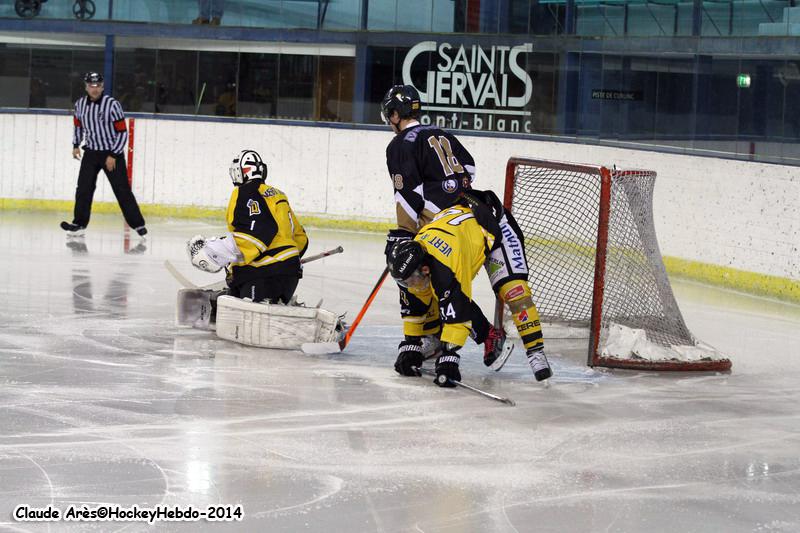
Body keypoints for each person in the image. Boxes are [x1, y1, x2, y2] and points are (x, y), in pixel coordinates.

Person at [380, 83, 551, 381]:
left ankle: (463, 340)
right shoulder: (441, 133)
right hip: (469, 214)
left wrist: (407, 234)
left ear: (395, 114)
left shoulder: (399, 145)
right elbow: (468, 169)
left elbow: (406, 196)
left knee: (442, 277)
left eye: (389, 115)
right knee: (438, 279)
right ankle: (534, 355)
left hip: (481, 222)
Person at [187, 149, 307, 304]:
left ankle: (222, 303)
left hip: (263, 273)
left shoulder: (244, 192)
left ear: (239, 172)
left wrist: (214, 252)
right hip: (291, 273)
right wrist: (289, 261)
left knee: (242, 296)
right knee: (239, 287)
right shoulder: (278, 194)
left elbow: (257, 233)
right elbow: (300, 238)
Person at [61, 72, 147, 238]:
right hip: (91, 152)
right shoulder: (79, 105)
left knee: (122, 190)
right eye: (91, 86)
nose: (94, 89)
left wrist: (113, 155)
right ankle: (79, 224)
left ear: (102, 87)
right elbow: (78, 126)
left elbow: (122, 132)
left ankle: (138, 225)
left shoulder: (112, 105)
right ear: (86, 86)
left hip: (111, 153)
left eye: (98, 86)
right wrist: (75, 145)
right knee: (84, 189)